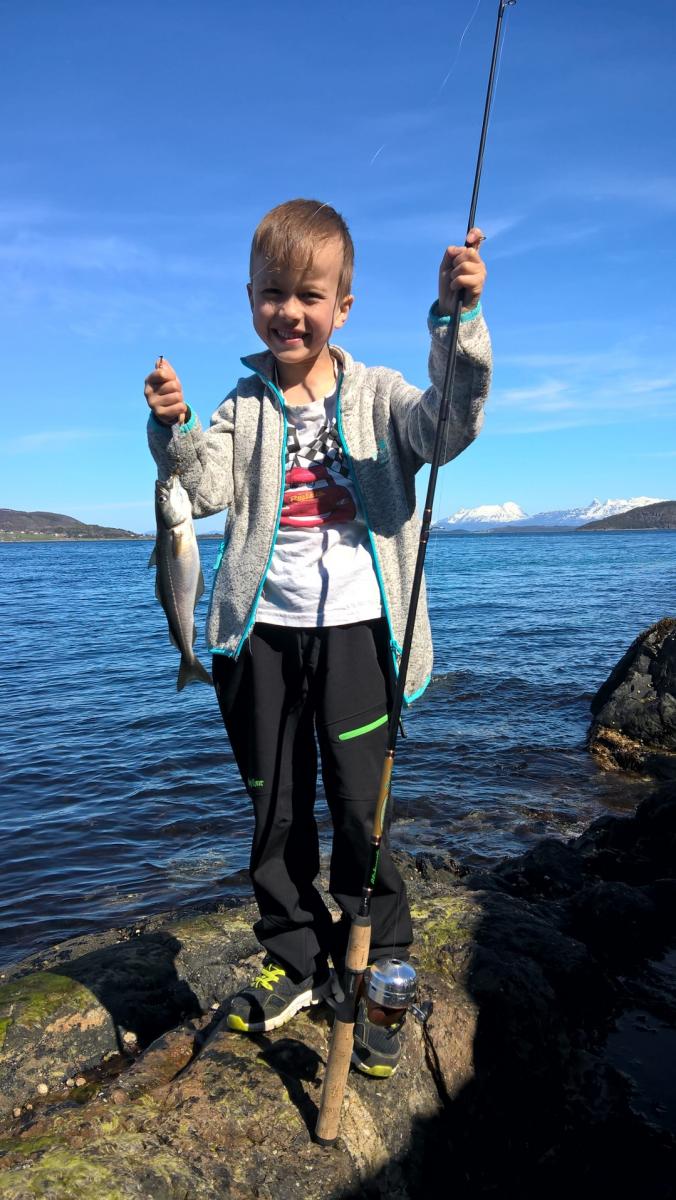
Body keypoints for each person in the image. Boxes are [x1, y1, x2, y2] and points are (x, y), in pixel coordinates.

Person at [145, 198, 491, 1077]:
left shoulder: (379, 394)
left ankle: (382, 970)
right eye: (273, 293)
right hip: (259, 636)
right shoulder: (242, 404)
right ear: (250, 298)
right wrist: (175, 429)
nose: (289, 311)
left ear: (343, 306)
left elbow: (449, 425)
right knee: (276, 806)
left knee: (361, 805)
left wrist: (456, 323)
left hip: (359, 636)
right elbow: (203, 487)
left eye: (310, 295)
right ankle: (296, 953)